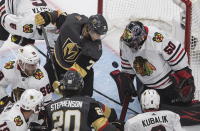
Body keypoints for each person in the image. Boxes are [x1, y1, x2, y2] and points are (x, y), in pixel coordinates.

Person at [110, 21, 200, 125]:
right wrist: (126, 80)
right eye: (130, 44)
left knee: (171, 116)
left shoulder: (157, 38)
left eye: (134, 43)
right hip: (147, 86)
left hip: (170, 86)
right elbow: (127, 67)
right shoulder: (124, 42)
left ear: (142, 36)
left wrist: (186, 80)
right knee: (154, 117)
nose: (132, 46)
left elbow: (180, 62)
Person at [34, 10, 108, 97]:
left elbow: (78, 70)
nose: (97, 37)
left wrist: (64, 86)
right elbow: (58, 15)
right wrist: (47, 16)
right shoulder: (72, 22)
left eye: (100, 35)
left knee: (85, 99)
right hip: (56, 62)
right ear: (88, 28)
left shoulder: (95, 49)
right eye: (96, 34)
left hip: (76, 70)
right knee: (38, 86)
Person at [44, 70, 121, 131]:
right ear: (81, 86)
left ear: (63, 87)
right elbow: (106, 126)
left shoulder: (49, 107)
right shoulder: (90, 104)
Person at [0, 45, 53, 112]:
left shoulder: (41, 77)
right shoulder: (9, 68)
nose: (34, 68)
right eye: (31, 65)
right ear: (21, 63)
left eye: (36, 64)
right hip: (15, 104)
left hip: (33, 111)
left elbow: (47, 102)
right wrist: (4, 100)